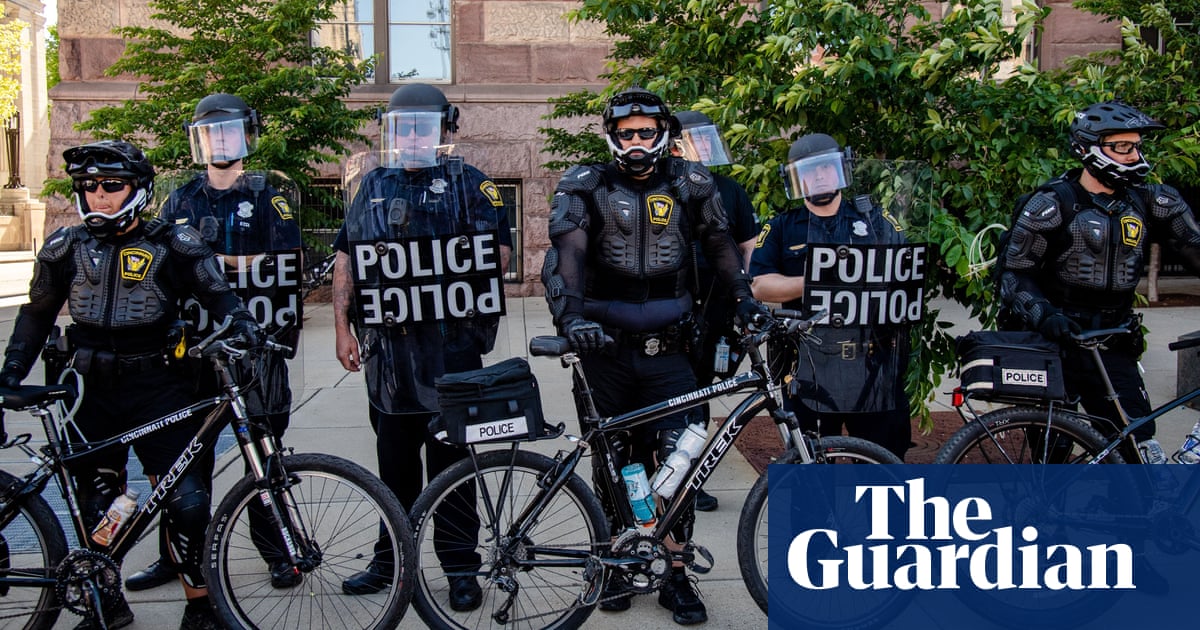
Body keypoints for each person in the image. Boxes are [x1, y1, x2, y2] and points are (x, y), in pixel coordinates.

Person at [0, 140, 261, 630]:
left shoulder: (174, 243)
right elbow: (34, 318)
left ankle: (201, 606)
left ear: (136, 189)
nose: (99, 196)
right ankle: (105, 600)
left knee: (187, 502)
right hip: (89, 390)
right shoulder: (64, 247)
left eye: (111, 186)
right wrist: (10, 375)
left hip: (160, 385)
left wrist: (242, 323)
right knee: (99, 506)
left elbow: (217, 293)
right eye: (88, 187)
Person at [541, 86, 769, 625]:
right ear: (612, 136)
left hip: (672, 350)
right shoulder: (585, 184)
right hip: (606, 350)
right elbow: (566, 255)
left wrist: (745, 303)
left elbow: (721, 249)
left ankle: (676, 572)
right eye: (626, 133)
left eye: (646, 131)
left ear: (663, 133)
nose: (636, 141)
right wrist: (571, 319)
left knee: (678, 463)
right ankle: (617, 563)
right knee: (618, 462)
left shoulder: (693, 183)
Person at [332, 83, 511, 611]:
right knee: (395, 467)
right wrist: (342, 325)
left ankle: (460, 567)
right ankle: (392, 562)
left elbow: (496, 255)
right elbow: (348, 256)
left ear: (445, 129)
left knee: (453, 466)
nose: (410, 136)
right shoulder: (373, 186)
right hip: (389, 355)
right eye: (401, 126)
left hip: (452, 352)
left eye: (422, 126)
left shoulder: (472, 185)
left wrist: (431, 276)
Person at [127, 93, 304, 591]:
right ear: (198, 141)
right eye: (209, 134)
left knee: (263, 456)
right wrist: (226, 265)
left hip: (253, 349)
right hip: (192, 353)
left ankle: (276, 551)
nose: (218, 143)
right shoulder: (178, 199)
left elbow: (282, 262)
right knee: (184, 462)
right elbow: (162, 266)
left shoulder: (270, 195)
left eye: (227, 132)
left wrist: (208, 263)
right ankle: (179, 556)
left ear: (246, 135)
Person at [997, 99, 1200, 463]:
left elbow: (1195, 247)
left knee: (1137, 445)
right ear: (1087, 148)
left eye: (1136, 145)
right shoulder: (1051, 204)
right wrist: (1044, 315)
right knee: (1051, 452)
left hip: (1114, 339)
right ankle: (1044, 517)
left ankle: (1124, 516)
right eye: (1121, 147)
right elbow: (1014, 274)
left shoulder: (1151, 201)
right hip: (1056, 340)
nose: (1133, 154)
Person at [749, 133, 912, 460]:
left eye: (826, 167)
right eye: (809, 170)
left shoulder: (875, 221)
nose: (819, 176)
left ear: (842, 169)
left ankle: (876, 512)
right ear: (796, 178)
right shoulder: (783, 227)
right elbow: (759, 286)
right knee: (809, 459)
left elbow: (905, 275)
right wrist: (815, 282)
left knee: (881, 459)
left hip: (870, 362)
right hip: (809, 362)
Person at [670, 110, 758, 512]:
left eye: (707, 139)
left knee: (701, 392)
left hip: (717, 310)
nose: (703, 147)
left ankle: (692, 479)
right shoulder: (662, 187)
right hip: (672, 310)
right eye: (695, 139)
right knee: (673, 394)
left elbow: (747, 249)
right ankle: (671, 477)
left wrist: (740, 299)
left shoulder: (730, 190)